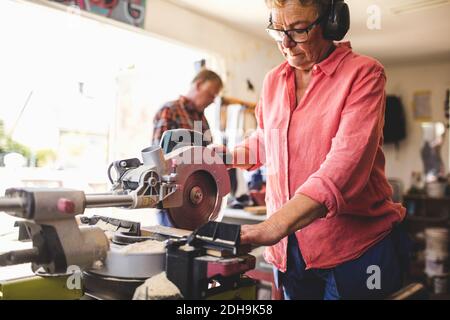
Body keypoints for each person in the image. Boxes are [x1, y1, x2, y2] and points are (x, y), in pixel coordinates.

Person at [223, 0, 411, 299]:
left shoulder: (363, 74)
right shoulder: (274, 80)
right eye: (277, 29)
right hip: (289, 249)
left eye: (298, 30)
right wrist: (222, 158)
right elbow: (266, 140)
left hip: (355, 248)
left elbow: (344, 168)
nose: (285, 43)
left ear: (331, 22)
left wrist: (272, 226)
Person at [151, 69, 223, 227]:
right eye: (211, 94)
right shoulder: (170, 111)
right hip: (171, 199)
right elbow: (159, 159)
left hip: (198, 196)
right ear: (198, 85)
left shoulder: (202, 119)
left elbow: (207, 157)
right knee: (171, 246)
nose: (212, 100)